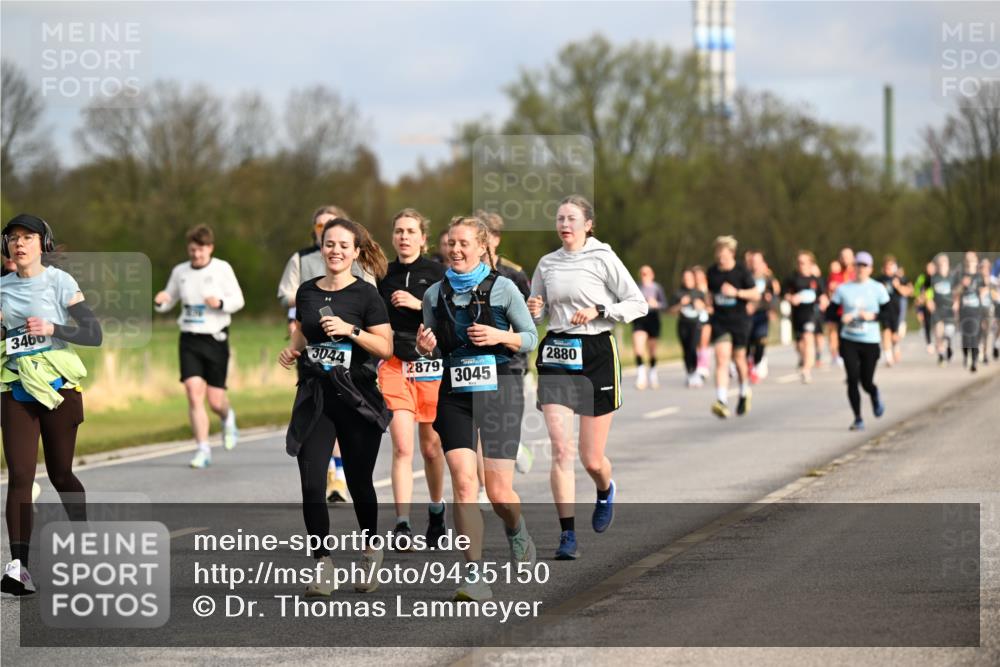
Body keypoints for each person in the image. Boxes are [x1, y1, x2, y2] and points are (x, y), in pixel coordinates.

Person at [416, 215, 539, 602]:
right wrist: (424, 347)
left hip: (500, 389)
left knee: (500, 492)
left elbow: (530, 337)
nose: (454, 249)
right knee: (465, 485)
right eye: (450, 243)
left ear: (483, 247)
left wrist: (499, 335)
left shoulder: (504, 289)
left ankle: (517, 529)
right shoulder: (434, 295)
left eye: (463, 243)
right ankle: (474, 574)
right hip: (455, 393)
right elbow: (431, 343)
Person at [528, 195, 647, 561]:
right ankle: (567, 535)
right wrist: (536, 309)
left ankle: (605, 487)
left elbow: (637, 303)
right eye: (560, 218)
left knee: (591, 458)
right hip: (557, 354)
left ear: (588, 225)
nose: (565, 225)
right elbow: (535, 313)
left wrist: (600, 309)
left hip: (596, 355)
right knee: (561, 450)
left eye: (572, 219)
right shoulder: (546, 264)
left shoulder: (603, 258)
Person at [280, 217, 392, 597]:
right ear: (321, 246)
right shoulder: (307, 291)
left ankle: (371, 550)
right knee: (312, 485)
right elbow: (303, 330)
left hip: (357, 397)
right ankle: (322, 565)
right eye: (330, 244)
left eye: (344, 245)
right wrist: (292, 347)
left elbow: (386, 348)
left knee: (360, 483)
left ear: (356, 252)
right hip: (316, 396)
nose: (336, 251)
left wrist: (351, 330)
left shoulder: (366, 295)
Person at [1, 214, 103, 596]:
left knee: (60, 474)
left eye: (27, 237)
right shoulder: (2, 288)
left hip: (59, 389)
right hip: (16, 387)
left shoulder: (61, 282)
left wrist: (52, 329)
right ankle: (19, 567)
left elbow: (94, 334)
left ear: (42, 243)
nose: (19, 243)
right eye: (13, 238)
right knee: (21, 475)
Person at [376, 209, 448, 549]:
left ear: (423, 238)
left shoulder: (437, 273)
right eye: (398, 231)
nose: (404, 237)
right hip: (394, 364)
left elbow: (449, 318)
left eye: (410, 231)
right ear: (393, 237)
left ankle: (436, 511)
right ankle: (402, 524)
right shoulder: (383, 275)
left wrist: (418, 304)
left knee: (431, 449)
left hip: (431, 365)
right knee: (402, 446)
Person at [277, 205, 356, 503]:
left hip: (347, 349)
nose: (325, 232)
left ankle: (339, 472)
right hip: (312, 346)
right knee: (318, 410)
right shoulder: (302, 259)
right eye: (320, 227)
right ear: (314, 230)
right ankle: (330, 474)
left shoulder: (350, 257)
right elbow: (285, 292)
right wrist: (308, 294)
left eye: (330, 225)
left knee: (341, 412)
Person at [154, 225, 244, 469]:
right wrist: (161, 300)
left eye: (201, 250)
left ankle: (227, 417)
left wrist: (220, 302)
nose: (197, 255)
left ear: (210, 248)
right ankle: (203, 449)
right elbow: (169, 298)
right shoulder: (180, 271)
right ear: (188, 249)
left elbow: (238, 300)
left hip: (215, 338)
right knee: (194, 393)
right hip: (189, 338)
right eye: (193, 250)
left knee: (215, 401)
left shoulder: (222, 269)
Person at [480, 210, 535, 476]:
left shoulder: (513, 274)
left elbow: (532, 318)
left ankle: (513, 449)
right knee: (479, 430)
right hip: (477, 363)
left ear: (496, 239)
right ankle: (482, 488)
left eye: (485, 235)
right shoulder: (459, 273)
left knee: (503, 430)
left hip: (511, 363)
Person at [831, 251, 889, 431]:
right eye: (858, 265)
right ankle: (858, 418)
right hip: (849, 339)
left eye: (864, 266)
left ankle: (874, 394)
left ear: (870, 269)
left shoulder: (878, 288)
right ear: (853, 268)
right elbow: (830, 313)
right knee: (852, 379)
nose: (860, 269)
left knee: (866, 381)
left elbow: (889, 314)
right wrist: (842, 317)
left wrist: (873, 316)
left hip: (870, 341)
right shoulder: (843, 289)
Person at [705, 235, 759, 418]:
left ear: (732, 254)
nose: (720, 257)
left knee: (739, 359)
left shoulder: (741, 271)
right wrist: (708, 303)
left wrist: (736, 292)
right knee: (721, 358)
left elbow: (755, 294)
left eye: (724, 253)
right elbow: (710, 294)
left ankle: (744, 392)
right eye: (718, 253)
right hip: (720, 321)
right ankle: (721, 400)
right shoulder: (711, 272)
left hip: (740, 321)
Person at [783, 251, 826, 384]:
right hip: (797, 314)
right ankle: (803, 359)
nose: (801, 265)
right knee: (799, 343)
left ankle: (806, 369)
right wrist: (791, 298)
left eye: (803, 262)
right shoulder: (792, 278)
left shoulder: (816, 279)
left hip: (811, 313)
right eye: (799, 262)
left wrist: (824, 301)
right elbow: (784, 294)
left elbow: (822, 295)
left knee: (808, 338)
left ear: (810, 264)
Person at [669, 268, 708, 387]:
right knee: (686, 350)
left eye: (689, 278)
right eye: (685, 278)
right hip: (683, 324)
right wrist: (681, 304)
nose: (687, 280)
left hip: (695, 324)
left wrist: (699, 305)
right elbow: (671, 311)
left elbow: (706, 308)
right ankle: (689, 373)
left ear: (693, 279)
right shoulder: (678, 293)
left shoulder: (699, 293)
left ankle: (695, 371)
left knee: (693, 347)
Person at [632, 265, 667, 390]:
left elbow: (665, 305)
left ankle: (653, 373)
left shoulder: (657, 288)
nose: (644, 276)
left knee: (652, 351)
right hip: (640, 320)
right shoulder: (635, 287)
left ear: (652, 275)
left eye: (646, 273)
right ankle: (641, 376)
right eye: (642, 273)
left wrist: (656, 304)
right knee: (638, 349)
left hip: (653, 318)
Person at [873, 255, 912, 367]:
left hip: (897, 311)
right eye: (886, 267)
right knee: (886, 333)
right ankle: (888, 358)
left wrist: (898, 286)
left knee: (895, 336)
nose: (888, 269)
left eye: (891, 266)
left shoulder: (899, 278)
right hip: (884, 310)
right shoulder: (879, 280)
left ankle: (896, 346)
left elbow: (908, 292)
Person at [746, 251, 779, 383]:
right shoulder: (746, 277)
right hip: (748, 316)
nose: (756, 265)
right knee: (748, 343)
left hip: (762, 314)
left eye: (758, 262)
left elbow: (774, 296)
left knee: (761, 341)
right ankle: (750, 363)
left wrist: (772, 309)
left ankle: (756, 363)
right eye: (753, 262)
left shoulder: (769, 279)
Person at [956, 251, 987, 373]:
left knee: (974, 334)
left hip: (976, 309)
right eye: (968, 258)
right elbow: (955, 292)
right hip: (964, 309)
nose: (970, 260)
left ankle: (973, 360)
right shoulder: (960, 274)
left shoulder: (979, 276)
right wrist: (962, 285)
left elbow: (984, 290)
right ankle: (966, 355)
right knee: (965, 335)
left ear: (976, 260)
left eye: (972, 258)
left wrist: (981, 290)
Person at [930, 253, 957, 366]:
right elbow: (928, 293)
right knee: (938, 332)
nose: (942, 266)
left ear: (948, 264)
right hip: (938, 309)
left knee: (948, 332)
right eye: (939, 264)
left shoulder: (952, 278)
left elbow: (957, 292)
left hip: (949, 308)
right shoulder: (933, 278)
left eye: (944, 263)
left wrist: (956, 302)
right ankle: (941, 355)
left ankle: (948, 346)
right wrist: (929, 301)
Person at [692, 265, 713, 378]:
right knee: (697, 343)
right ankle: (698, 366)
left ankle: (703, 367)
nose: (698, 278)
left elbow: (711, 304)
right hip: (695, 318)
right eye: (696, 276)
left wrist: (705, 306)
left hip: (708, 318)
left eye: (700, 275)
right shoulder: (693, 290)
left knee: (704, 341)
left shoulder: (709, 288)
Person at [913, 261, 937, 354]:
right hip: (925, 304)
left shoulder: (938, 278)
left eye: (931, 268)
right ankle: (929, 343)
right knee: (927, 323)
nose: (929, 270)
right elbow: (916, 291)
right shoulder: (922, 278)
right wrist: (921, 299)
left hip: (936, 303)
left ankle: (939, 341)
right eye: (928, 268)